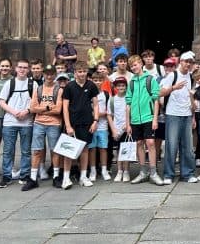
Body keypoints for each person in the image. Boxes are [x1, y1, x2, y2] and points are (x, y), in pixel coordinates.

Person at [159, 51, 197, 184]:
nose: (188, 64)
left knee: (187, 146)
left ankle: (187, 174)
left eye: (190, 62)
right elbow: (160, 92)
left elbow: (191, 96)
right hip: (173, 114)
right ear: (180, 61)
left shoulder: (191, 77)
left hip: (186, 114)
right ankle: (168, 174)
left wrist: (193, 116)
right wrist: (174, 87)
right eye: (186, 61)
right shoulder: (172, 75)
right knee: (171, 145)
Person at [61, 61, 99, 189]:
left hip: (86, 123)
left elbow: (96, 104)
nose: (82, 74)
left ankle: (83, 176)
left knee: (85, 149)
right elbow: (65, 108)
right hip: (72, 123)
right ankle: (66, 178)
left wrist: (95, 120)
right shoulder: (69, 87)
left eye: (84, 71)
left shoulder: (91, 85)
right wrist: (68, 125)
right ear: (75, 73)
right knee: (68, 151)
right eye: (79, 72)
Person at [126, 55, 163, 185]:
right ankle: (143, 172)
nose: (134, 67)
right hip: (135, 119)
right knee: (139, 144)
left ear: (141, 64)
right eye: (131, 66)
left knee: (151, 143)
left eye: (135, 64)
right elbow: (128, 103)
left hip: (148, 117)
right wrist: (128, 123)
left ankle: (153, 172)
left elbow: (156, 100)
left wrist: (155, 119)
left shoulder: (150, 79)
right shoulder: (131, 82)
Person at [0, 59, 35, 187]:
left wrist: (26, 111)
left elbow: (35, 103)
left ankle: (24, 175)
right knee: (8, 150)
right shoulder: (10, 83)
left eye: (25, 67)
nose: (22, 70)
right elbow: (1, 101)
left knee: (26, 151)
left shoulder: (33, 84)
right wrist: (14, 112)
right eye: (20, 67)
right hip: (10, 121)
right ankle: (7, 176)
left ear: (28, 69)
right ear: (16, 69)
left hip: (27, 122)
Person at [26, 65, 63, 191]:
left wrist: (41, 110)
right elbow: (32, 108)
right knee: (36, 150)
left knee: (55, 151)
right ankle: (32, 178)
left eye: (51, 74)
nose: (49, 76)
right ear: (43, 74)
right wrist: (47, 108)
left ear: (54, 74)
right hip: (39, 123)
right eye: (46, 74)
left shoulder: (59, 89)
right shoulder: (38, 89)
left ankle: (56, 177)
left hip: (54, 123)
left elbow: (58, 110)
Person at [107, 77, 131, 182]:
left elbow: (131, 113)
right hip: (116, 129)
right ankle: (119, 171)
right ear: (115, 87)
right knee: (118, 151)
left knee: (126, 150)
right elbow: (109, 115)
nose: (121, 87)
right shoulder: (112, 99)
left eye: (123, 85)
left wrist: (127, 125)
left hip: (126, 128)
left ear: (126, 86)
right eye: (118, 85)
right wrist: (113, 130)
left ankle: (126, 171)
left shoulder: (129, 98)